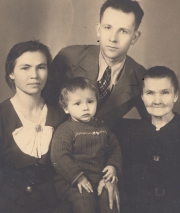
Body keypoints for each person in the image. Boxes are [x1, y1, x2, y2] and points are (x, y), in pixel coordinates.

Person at [45, 0, 148, 129]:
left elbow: (155, 120)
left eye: (123, 31)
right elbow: (42, 102)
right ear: (98, 30)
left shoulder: (140, 76)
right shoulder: (68, 57)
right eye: (107, 28)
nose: (113, 38)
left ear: (134, 37)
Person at [0, 40, 68, 213]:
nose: (35, 75)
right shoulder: (2, 115)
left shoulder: (61, 114)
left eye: (41, 67)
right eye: (25, 68)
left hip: (55, 206)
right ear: (11, 73)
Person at [124, 66, 180, 212]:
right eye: (150, 93)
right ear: (142, 96)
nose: (157, 101)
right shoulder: (129, 134)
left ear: (175, 95)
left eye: (165, 92)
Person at [51, 77, 122, 213]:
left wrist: (113, 165)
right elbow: (58, 157)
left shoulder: (102, 128)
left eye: (90, 101)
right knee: (85, 202)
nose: (85, 108)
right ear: (66, 108)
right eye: (77, 104)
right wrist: (78, 177)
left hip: (99, 177)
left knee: (110, 202)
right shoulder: (65, 130)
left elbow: (114, 148)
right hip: (72, 181)